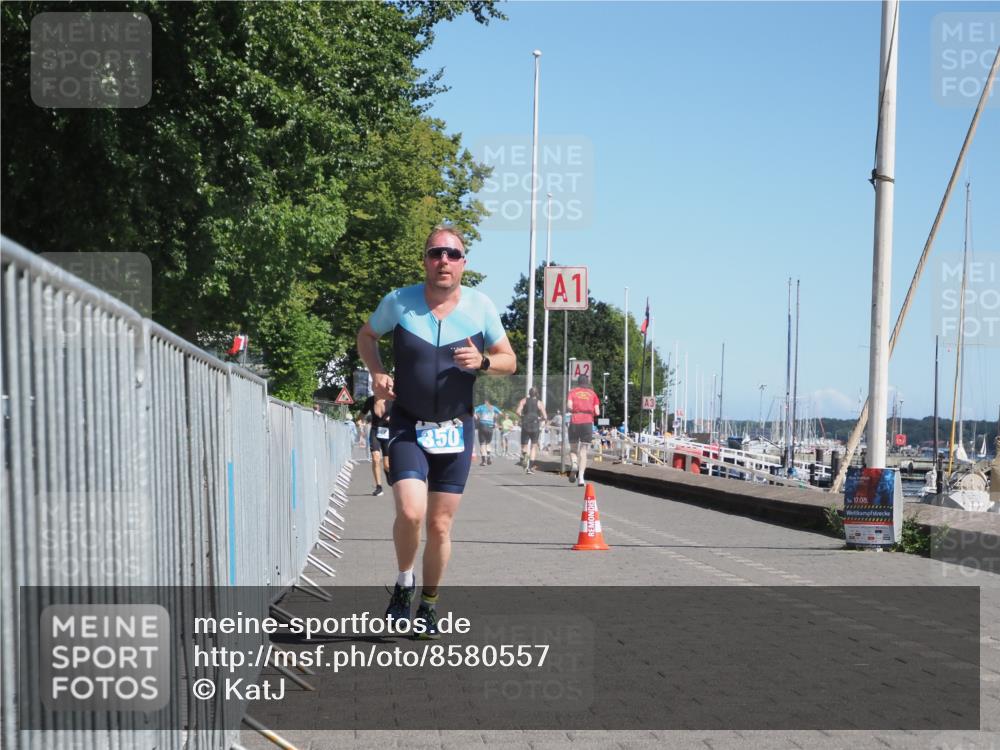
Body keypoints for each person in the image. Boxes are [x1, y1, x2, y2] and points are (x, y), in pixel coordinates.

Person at [356, 224, 516, 638]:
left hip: (455, 427)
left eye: (453, 255)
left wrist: (482, 362)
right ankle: (403, 584)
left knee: (440, 526)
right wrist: (376, 373)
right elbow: (367, 335)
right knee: (410, 511)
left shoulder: (481, 307)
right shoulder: (399, 301)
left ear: (464, 264)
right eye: (435, 254)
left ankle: (428, 604)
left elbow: (509, 360)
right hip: (408, 423)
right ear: (425, 260)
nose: (443, 261)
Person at [566, 374, 600, 486]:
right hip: (587, 422)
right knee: (584, 451)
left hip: (575, 421)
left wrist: (576, 408)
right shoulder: (593, 394)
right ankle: (581, 478)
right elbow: (598, 412)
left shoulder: (572, 392)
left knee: (573, 449)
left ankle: (574, 464)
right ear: (587, 382)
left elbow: (569, 406)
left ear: (578, 382)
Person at [360, 394, 391, 496]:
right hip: (375, 431)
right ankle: (379, 487)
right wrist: (359, 421)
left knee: (387, 465)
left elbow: (401, 415)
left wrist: (393, 419)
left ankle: (387, 472)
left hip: (388, 432)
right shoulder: (370, 400)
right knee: (376, 458)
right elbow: (362, 414)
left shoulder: (392, 399)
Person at [515, 387, 547, 474]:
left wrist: (522, 417)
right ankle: (530, 467)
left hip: (525, 424)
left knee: (524, 446)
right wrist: (540, 419)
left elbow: (517, 411)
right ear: (537, 394)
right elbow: (545, 416)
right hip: (535, 425)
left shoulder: (524, 400)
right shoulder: (539, 403)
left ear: (529, 393)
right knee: (534, 446)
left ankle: (525, 456)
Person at [473, 399, 503, 466]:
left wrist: (476, 416)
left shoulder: (481, 407)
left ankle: (484, 461)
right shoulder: (493, 407)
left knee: (482, 444)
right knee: (488, 443)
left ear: (485, 401)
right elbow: (500, 413)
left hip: (482, 425)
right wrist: (495, 419)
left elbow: (473, 411)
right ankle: (488, 457)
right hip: (490, 426)